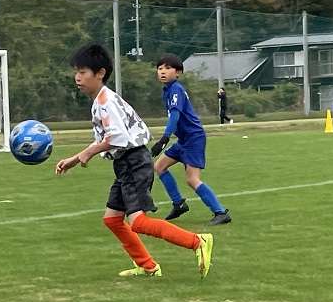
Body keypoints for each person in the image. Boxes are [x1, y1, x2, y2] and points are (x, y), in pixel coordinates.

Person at [55, 43, 214, 279]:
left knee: (138, 222)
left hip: (134, 162)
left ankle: (198, 241)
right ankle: (148, 266)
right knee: (112, 219)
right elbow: (107, 138)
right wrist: (75, 158)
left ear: (100, 73)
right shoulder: (100, 101)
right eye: (76, 72)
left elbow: (117, 138)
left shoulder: (106, 102)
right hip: (126, 163)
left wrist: (88, 153)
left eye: (82, 72)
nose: (77, 77)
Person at [151, 54, 232, 225]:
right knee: (159, 166)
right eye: (160, 68)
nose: (162, 71)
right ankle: (178, 204)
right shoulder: (168, 90)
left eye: (168, 68)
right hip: (184, 140)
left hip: (193, 138)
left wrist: (164, 138)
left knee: (192, 179)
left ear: (178, 73)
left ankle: (220, 212)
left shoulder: (176, 89)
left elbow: (175, 115)